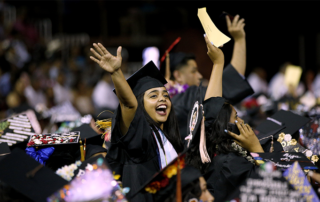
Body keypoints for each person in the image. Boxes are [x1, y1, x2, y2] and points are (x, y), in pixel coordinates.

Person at [89, 43, 184, 202]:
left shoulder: (169, 138)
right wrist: (116, 73)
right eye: (153, 96)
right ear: (141, 105)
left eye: (165, 95)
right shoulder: (139, 136)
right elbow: (129, 105)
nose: (162, 98)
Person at [186, 34, 264, 202]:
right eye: (236, 117)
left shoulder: (213, 152)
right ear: (224, 127)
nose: (241, 122)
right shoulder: (232, 164)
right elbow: (272, 187)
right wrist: (257, 149)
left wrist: (218, 63)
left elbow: (212, 112)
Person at [172, 15, 254, 139]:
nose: (199, 76)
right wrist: (238, 40)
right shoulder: (187, 99)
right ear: (178, 75)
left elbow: (230, 79)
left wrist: (239, 39)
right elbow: (230, 82)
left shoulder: (172, 101)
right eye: (193, 71)